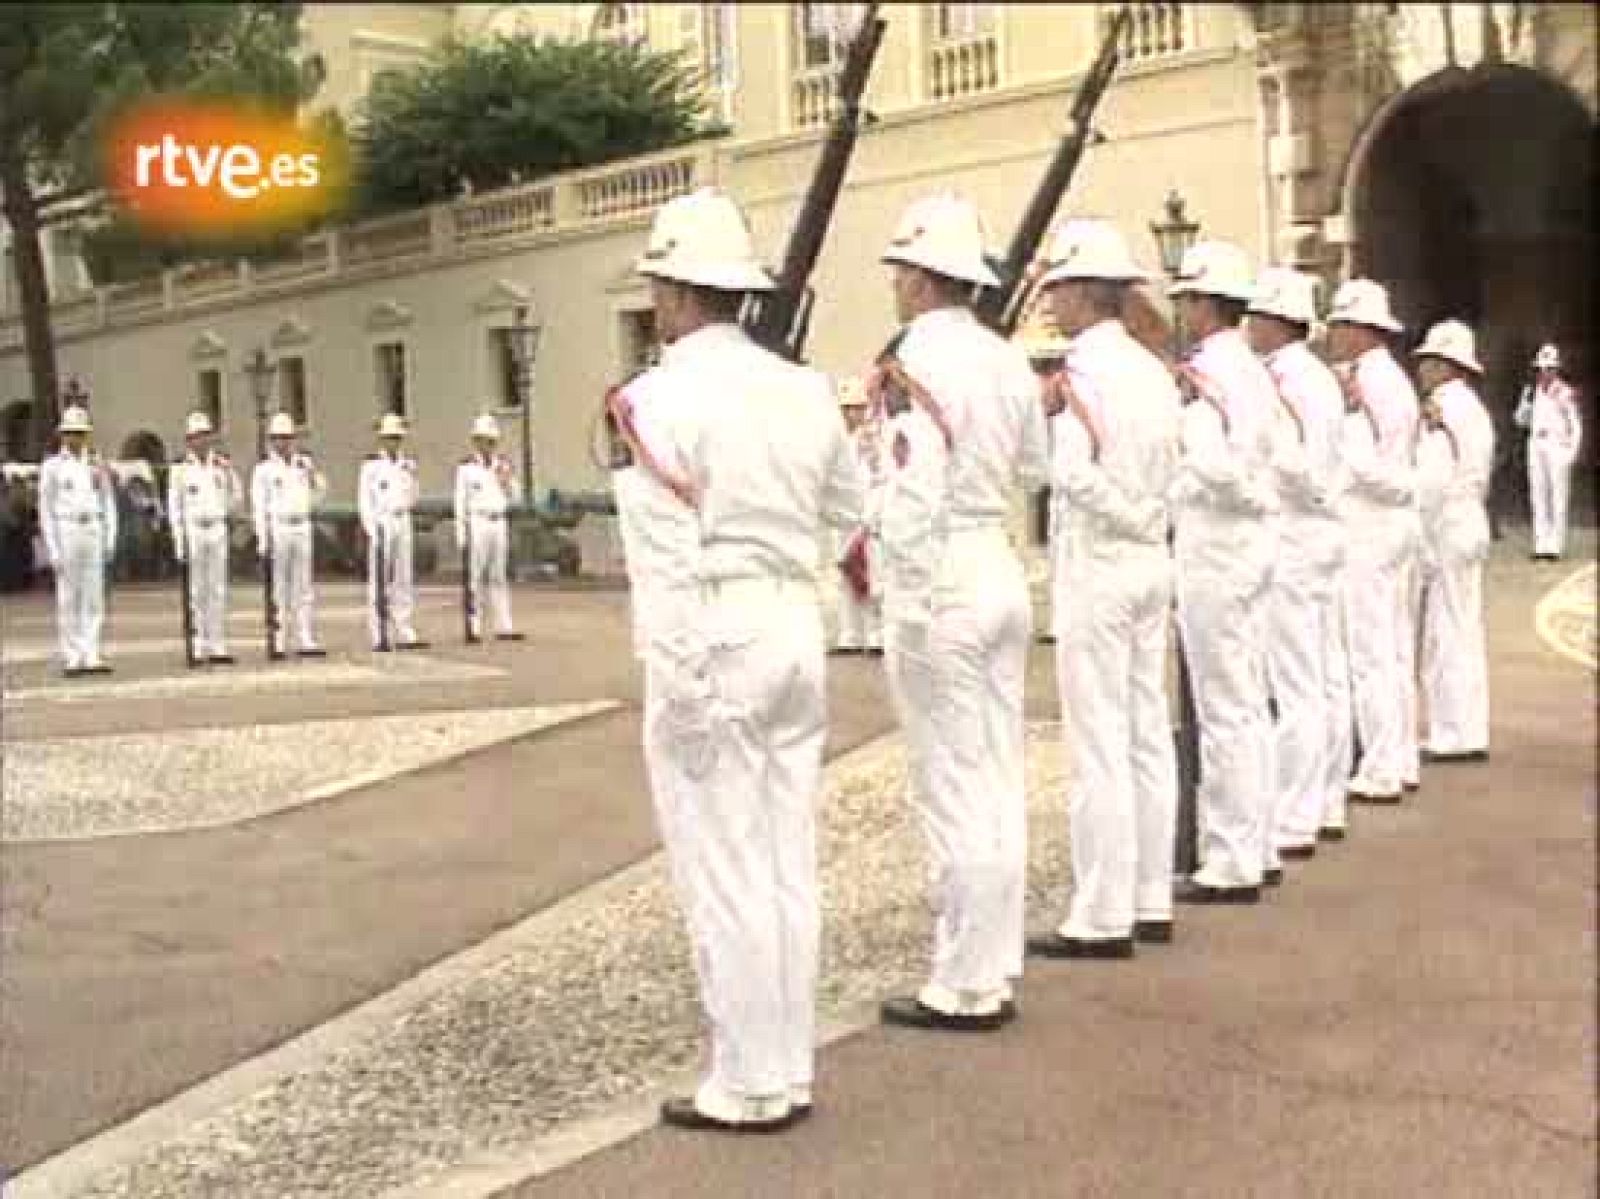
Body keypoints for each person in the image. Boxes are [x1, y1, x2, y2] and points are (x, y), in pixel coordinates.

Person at [610, 188, 864, 1131]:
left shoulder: (652, 397)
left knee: (723, 863)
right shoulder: (802, 387)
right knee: (785, 854)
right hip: (793, 622)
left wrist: (675, 690)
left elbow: (662, 560)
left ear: (676, 295)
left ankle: (747, 1079)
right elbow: (851, 509)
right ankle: (788, 1062)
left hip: (712, 629)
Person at [870, 192, 1049, 1028]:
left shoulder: (913, 359)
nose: (896, 285)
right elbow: (1038, 467)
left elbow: (911, 490)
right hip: (998, 561)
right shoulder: (1009, 359)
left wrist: (895, 588)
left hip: (940, 572)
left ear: (917, 278)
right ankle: (995, 959)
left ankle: (961, 979)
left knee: (950, 782)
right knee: (997, 773)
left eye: (900, 270)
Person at [1024, 219, 1181, 958]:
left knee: (1100, 739)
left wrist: (1132, 513)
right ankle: (1151, 894)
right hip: (1153, 561)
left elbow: (1072, 474)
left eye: (1058, 286)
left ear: (1088, 293)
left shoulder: (1084, 374)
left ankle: (1101, 910)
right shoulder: (1154, 369)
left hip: (1104, 560)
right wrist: (1152, 516)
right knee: (1147, 730)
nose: (1050, 299)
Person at [1164, 242, 1280, 903]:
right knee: (1246, 700)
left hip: (1217, 544)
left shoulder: (1208, 375)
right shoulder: (1254, 369)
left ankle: (1230, 857)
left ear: (1206, 305)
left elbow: (1221, 469)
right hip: (1250, 544)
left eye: (1186, 300)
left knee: (1224, 707)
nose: (1181, 311)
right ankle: (1254, 843)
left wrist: (1185, 449)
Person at [1245, 269, 1350, 860]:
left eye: (1255, 316)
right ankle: (1324, 800)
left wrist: (1263, 461)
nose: (1249, 326)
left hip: (1294, 526)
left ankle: (1295, 813)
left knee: (1295, 680)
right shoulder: (1316, 377)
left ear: (1275, 321)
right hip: (1321, 530)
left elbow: (1301, 467)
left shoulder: (1285, 382)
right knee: (1322, 672)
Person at [1326, 279, 1422, 805]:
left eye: (1340, 325)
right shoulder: (1392, 379)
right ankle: (1399, 754)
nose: (1334, 335)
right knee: (1393, 645)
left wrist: (1342, 432)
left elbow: (1371, 465)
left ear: (1361, 331)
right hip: (1391, 521)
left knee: (1369, 650)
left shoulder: (1370, 385)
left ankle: (1381, 764)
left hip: (1370, 519)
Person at [1414, 320, 1495, 762]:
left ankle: (1450, 732)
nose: (1422, 368)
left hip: (1448, 520)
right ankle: (1469, 726)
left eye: (1428, 361)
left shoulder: (1442, 408)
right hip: (1471, 515)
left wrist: (1421, 535)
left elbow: (1432, 480)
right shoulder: (1475, 409)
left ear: (1446, 365)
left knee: (1445, 631)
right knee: (1465, 626)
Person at [38, 405, 117, 676]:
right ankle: (72, 655)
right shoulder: (52, 467)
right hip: (67, 528)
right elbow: (46, 509)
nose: (75, 438)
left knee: (93, 595)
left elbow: (108, 502)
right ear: (62, 435)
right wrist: (52, 547)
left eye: (80, 433)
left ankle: (92, 651)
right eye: (70, 433)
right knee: (69, 596)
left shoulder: (96, 464)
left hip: (92, 527)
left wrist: (110, 538)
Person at [251, 411, 327, 657]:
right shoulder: (263, 470)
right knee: (279, 588)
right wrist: (263, 539)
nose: (283, 443)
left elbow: (317, 498)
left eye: (287, 438)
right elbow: (259, 507)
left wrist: (314, 476)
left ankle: (305, 636)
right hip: (279, 526)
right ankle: (279, 637)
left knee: (303, 586)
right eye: (278, 438)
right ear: (271, 441)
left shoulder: (303, 465)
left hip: (301, 525)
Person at [168, 411, 242, 664]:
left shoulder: (220, 466)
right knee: (197, 590)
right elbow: (175, 509)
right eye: (196, 437)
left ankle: (217, 642)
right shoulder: (180, 469)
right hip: (194, 529)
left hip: (216, 528)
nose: (201, 441)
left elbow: (235, 502)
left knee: (217, 589)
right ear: (188, 440)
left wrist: (230, 475)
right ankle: (198, 642)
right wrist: (179, 541)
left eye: (205, 436)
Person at [358, 411, 428, 650]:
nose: (393, 442)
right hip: (382, 520)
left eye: (397, 438)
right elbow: (365, 500)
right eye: (389, 437)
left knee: (403, 577)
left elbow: (414, 497)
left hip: (402, 519)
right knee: (379, 579)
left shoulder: (406, 465)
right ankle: (378, 631)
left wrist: (412, 477)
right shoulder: (371, 466)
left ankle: (404, 626)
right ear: (381, 439)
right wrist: (371, 528)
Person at [453, 413, 523, 642]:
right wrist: (461, 534)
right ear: (476, 441)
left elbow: (516, 496)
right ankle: (473, 626)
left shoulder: (501, 465)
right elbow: (460, 503)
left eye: (492, 441)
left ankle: (504, 624)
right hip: (478, 521)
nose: (488, 445)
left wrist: (507, 480)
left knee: (498, 575)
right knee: (474, 576)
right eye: (484, 440)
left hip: (498, 520)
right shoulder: (466, 468)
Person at [831, 376, 885, 656]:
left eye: (857, 407)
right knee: (845, 578)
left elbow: (882, 479)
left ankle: (875, 635)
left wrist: (873, 517)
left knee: (873, 578)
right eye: (847, 408)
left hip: (869, 518)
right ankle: (848, 635)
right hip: (843, 519)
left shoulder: (874, 440)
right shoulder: (837, 441)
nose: (853, 413)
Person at [1514, 343, 1582, 560]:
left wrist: (1572, 451)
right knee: (1538, 494)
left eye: (1550, 368)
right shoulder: (1531, 391)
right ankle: (1540, 544)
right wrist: (1525, 403)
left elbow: (1575, 424)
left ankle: (1556, 546)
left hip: (1556, 444)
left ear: (1556, 369)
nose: (1545, 372)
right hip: (1536, 443)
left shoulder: (1565, 392)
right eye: (1541, 368)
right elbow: (1520, 421)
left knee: (1557, 496)